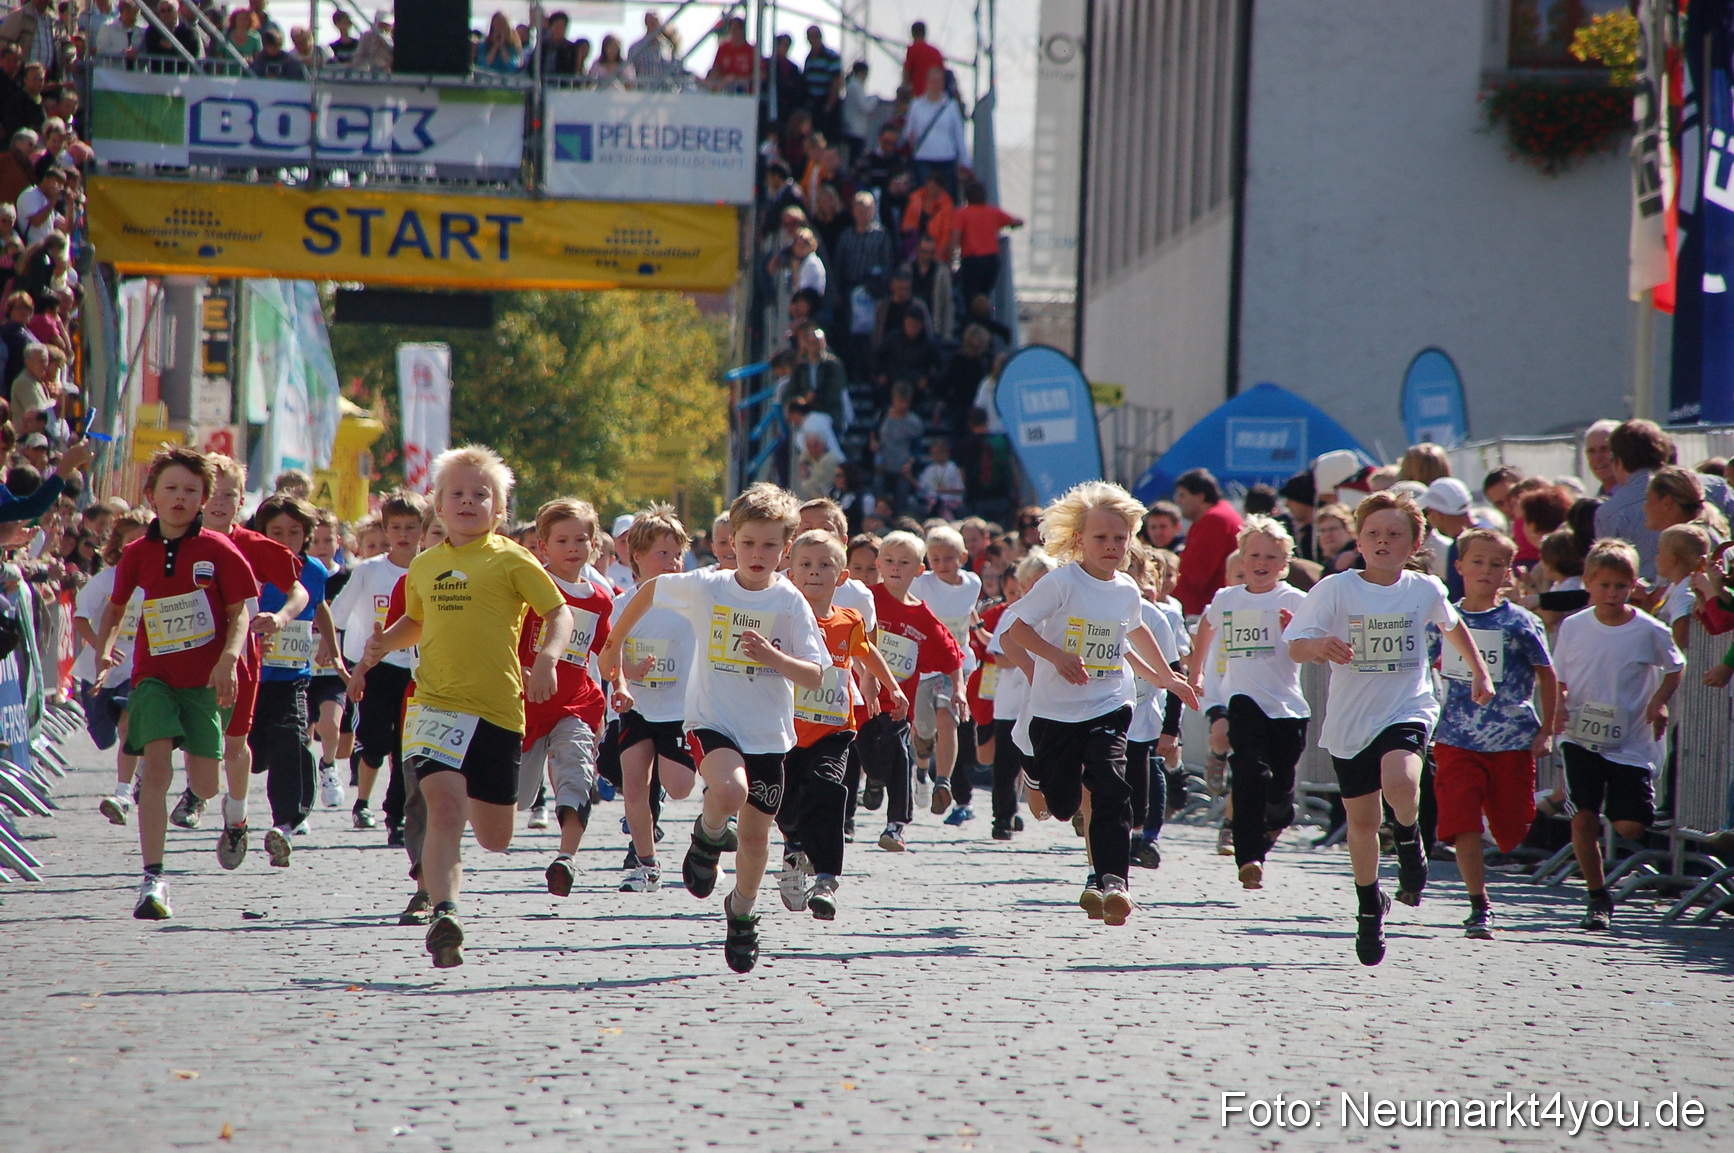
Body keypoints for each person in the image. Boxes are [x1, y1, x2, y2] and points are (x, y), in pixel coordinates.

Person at [354, 446, 572, 968]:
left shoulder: (512, 558)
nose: (469, 501)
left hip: (497, 710)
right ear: (439, 504)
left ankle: (465, 849)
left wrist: (547, 658)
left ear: (500, 510)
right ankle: (444, 912)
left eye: (482, 494)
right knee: (443, 809)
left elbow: (558, 612)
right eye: (458, 493)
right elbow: (417, 622)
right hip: (435, 705)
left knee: (495, 837)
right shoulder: (426, 566)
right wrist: (384, 642)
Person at [599, 483, 828, 974]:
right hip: (712, 720)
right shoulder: (708, 585)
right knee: (728, 789)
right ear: (732, 543)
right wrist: (615, 645)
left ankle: (742, 911)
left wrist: (773, 657)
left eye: (770, 545)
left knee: (756, 838)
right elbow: (652, 591)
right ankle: (706, 837)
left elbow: (814, 673)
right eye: (748, 543)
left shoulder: (790, 603)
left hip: (768, 733)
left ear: (786, 549)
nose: (758, 554)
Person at [1282, 492, 1494, 966]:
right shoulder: (1336, 589)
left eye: (1395, 534)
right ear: (1358, 539)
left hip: (1407, 706)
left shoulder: (1425, 589)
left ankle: (1409, 836)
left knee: (1401, 780)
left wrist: (1479, 672)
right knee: (1360, 824)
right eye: (1374, 533)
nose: (1383, 541)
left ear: (1414, 542)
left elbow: (1453, 628)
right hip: (1350, 718)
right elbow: (1294, 644)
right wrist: (1320, 647)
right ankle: (1368, 907)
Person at [1001, 482, 1201, 925]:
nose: (1111, 546)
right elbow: (1016, 630)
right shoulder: (1061, 583)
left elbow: (1135, 631)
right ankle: (1034, 774)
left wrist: (1168, 678)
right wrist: (1057, 656)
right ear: (1079, 540)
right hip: (1055, 709)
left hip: (1109, 701)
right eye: (1100, 538)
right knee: (1062, 805)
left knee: (1112, 785)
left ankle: (1114, 880)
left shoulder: (1127, 589)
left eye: (1120, 537)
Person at [92, 448, 258, 921]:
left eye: (190, 490)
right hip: (154, 675)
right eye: (171, 489)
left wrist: (228, 658)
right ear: (152, 496)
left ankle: (223, 807)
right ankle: (154, 877)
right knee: (158, 765)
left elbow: (240, 611)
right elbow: (116, 605)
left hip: (204, 682)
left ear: (204, 499)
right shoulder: (137, 553)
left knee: (204, 783)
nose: (180, 498)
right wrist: (105, 648)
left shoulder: (218, 550)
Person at [1427, 529, 1555, 940]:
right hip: (1455, 739)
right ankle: (1478, 904)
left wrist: (1547, 729)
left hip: (1511, 740)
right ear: (1459, 566)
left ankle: (1497, 838)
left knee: (1511, 826)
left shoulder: (1520, 622)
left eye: (1496, 563)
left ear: (1507, 571)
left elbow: (1547, 675)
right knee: (1462, 820)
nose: (1485, 571)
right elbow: (1418, 669)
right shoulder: (1442, 620)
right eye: (1477, 562)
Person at [1552, 539, 1683, 932]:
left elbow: (1676, 666)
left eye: (1620, 586)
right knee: (1583, 819)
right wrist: (1558, 705)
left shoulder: (1649, 630)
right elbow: (1559, 677)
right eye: (1604, 585)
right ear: (1588, 583)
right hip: (1580, 735)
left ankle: (1615, 806)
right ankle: (1597, 896)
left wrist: (1659, 701)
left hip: (1630, 740)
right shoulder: (1574, 626)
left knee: (1629, 825)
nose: (1611, 594)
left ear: (1633, 587)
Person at [777, 529, 905, 919]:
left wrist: (892, 687)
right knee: (784, 806)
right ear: (790, 574)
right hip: (784, 732)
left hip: (834, 730)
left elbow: (868, 653)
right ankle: (794, 851)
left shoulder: (849, 620)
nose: (814, 572)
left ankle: (827, 879)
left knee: (828, 791)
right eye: (805, 565)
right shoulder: (781, 618)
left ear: (843, 576)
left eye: (825, 565)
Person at [1189, 516, 1308, 890]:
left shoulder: (1295, 599)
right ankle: (1248, 856)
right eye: (1254, 555)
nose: (1261, 563)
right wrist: (1195, 675)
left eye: (1271, 557)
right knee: (1249, 773)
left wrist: (1298, 633)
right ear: (1241, 559)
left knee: (1281, 798)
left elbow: (1314, 647)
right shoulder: (1228, 599)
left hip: (1287, 708)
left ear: (1284, 563)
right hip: (1243, 700)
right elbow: (1205, 630)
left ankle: (1275, 824)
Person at [521, 499, 612, 899]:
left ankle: (566, 858)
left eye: (581, 539)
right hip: (521, 704)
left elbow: (602, 653)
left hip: (575, 702)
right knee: (518, 797)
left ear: (594, 545)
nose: (573, 547)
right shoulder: (526, 587)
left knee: (576, 772)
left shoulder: (600, 599)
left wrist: (621, 683)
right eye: (562, 540)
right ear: (544, 546)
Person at [609, 504, 698, 893]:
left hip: (679, 710)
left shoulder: (694, 602)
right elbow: (611, 658)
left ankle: (705, 834)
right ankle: (645, 863)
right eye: (663, 554)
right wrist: (626, 679)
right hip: (637, 708)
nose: (673, 562)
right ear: (637, 557)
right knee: (634, 784)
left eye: (678, 554)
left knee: (679, 786)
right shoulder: (621, 605)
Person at [855, 529, 962, 851]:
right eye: (889, 561)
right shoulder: (866, 599)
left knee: (901, 754)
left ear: (918, 570)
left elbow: (952, 654)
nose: (896, 568)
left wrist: (959, 690)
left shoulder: (923, 615)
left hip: (899, 704)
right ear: (879, 563)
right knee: (868, 755)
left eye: (905, 562)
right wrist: (865, 674)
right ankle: (873, 779)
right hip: (861, 700)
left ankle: (896, 825)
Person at [329, 492, 424, 846]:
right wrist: (334, 650)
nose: (403, 534)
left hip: (414, 671)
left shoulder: (429, 568)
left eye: (411, 527)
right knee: (373, 742)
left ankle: (395, 817)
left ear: (422, 529)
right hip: (373, 667)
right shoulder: (369, 571)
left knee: (405, 748)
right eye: (395, 527)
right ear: (385, 529)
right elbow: (337, 614)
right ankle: (363, 796)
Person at [251, 494, 336, 867]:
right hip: (249, 677)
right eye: (276, 532)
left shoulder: (314, 570)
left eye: (294, 532)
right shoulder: (247, 566)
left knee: (293, 740)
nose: (285, 539)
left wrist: (330, 649)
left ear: (307, 535)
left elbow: (320, 607)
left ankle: (285, 823)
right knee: (251, 754)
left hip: (291, 678)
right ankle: (217, 800)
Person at [80, 509, 150, 825]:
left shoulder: (157, 583)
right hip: (98, 671)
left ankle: (122, 792)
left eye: (144, 540)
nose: (138, 547)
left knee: (128, 724)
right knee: (103, 736)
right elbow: (80, 617)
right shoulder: (106, 580)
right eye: (131, 541)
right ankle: (140, 764)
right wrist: (100, 646)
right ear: (119, 545)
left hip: (138, 668)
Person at [909, 525, 978, 822]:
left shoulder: (972, 583)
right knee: (924, 729)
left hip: (957, 664)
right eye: (935, 559)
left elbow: (967, 609)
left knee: (946, 716)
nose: (941, 565)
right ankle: (922, 770)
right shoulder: (922, 583)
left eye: (948, 558)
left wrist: (977, 629)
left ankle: (943, 782)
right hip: (924, 665)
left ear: (963, 556)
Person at [986, 550, 1054, 838]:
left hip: (1049, 703)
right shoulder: (1014, 614)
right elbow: (999, 656)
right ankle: (1003, 818)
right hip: (1011, 703)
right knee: (1006, 765)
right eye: (1034, 582)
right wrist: (1034, 658)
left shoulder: (1062, 613)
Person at [1172, 468, 1244, 617]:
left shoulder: (1215, 520)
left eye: (1182, 495)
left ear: (1199, 497)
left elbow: (1195, 575)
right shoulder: (1212, 517)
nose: (1177, 500)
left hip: (1207, 614)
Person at [952, 183, 1022, 304]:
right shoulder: (993, 212)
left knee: (969, 296)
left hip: (971, 261)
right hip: (990, 261)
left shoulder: (962, 214)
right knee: (984, 296)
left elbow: (955, 236)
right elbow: (1018, 222)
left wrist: (951, 255)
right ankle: (984, 316)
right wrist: (1007, 226)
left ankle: (972, 319)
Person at [1421, 476, 1474, 600]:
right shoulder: (1490, 529)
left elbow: (1456, 598)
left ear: (1438, 514)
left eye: (1428, 512)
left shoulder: (1459, 547)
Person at [902, 21, 944, 97]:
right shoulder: (936, 52)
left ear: (912, 34)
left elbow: (906, 75)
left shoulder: (913, 49)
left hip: (918, 94)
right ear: (925, 34)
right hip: (936, 96)